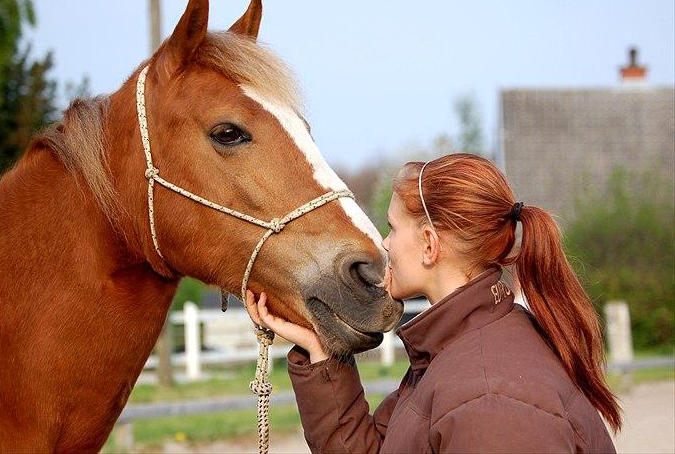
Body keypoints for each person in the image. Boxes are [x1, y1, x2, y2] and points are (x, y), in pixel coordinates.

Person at [247, 153, 620, 453]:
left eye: (392, 227)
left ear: (429, 244)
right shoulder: (457, 348)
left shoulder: (489, 401)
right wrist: (319, 350)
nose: (385, 243)